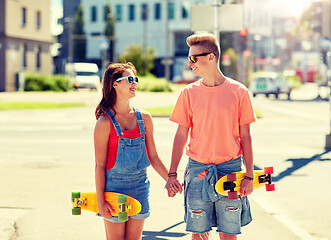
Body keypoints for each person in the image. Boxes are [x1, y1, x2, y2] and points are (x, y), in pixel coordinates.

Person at [165, 33, 256, 240]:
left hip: (231, 171)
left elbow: (246, 137)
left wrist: (249, 175)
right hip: (198, 171)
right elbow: (180, 136)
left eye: (193, 58)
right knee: (198, 235)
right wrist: (172, 174)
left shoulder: (239, 92)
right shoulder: (188, 93)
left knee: (228, 234)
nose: (190, 64)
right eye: (190, 59)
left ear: (212, 57)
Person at [94, 62, 178, 240]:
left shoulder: (145, 118)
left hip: (140, 187)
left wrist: (170, 179)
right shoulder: (104, 122)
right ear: (114, 84)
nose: (135, 83)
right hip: (114, 189)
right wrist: (101, 202)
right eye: (130, 79)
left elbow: (153, 156)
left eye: (136, 79)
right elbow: (99, 165)